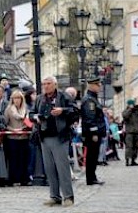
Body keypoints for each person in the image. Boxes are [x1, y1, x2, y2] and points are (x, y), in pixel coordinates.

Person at [33, 76, 79, 207]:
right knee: (49, 168)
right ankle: (54, 196)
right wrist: (35, 117)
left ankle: (68, 197)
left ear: (55, 85)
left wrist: (62, 111)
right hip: (44, 136)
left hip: (60, 137)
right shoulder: (39, 98)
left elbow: (75, 111)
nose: (46, 86)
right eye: (44, 84)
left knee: (62, 167)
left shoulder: (64, 97)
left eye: (48, 84)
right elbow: (32, 113)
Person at [80, 77, 107, 185]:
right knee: (91, 156)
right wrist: (94, 133)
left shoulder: (93, 99)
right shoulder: (89, 100)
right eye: (98, 85)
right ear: (92, 85)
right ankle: (90, 178)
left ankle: (92, 176)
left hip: (95, 133)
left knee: (94, 155)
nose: (99, 86)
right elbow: (90, 118)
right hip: (92, 134)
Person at [3, 89, 31, 186]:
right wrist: (12, 130)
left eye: (18, 98)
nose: (17, 100)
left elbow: (29, 124)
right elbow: (4, 124)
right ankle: (13, 179)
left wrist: (25, 127)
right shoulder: (9, 110)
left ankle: (24, 179)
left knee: (23, 159)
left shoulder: (26, 109)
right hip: (12, 138)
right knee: (13, 160)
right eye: (15, 98)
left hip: (24, 137)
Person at [122, 99, 138, 166]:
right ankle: (127, 160)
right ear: (128, 105)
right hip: (129, 132)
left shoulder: (136, 111)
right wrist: (130, 109)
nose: (133, 105)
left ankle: (133, 160)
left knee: (136, 147)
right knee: (129, 147)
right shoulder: (125, 111)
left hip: (137, 131)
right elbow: (125, 116)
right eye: (132, 104)